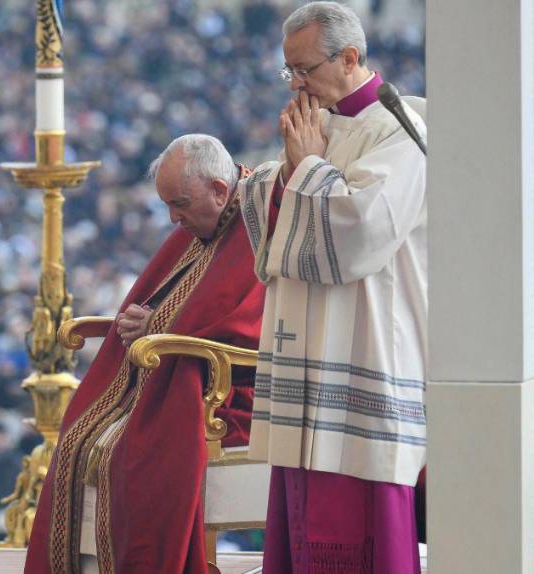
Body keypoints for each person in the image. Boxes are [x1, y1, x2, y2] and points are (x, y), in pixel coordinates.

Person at [236, 3, 426, 572]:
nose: (295, 83)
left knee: (364, 497)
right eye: (287, 70)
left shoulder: (404, 125)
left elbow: (363, 228)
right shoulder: (316, 123)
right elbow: (276, 202)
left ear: (349, 58)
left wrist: (308, 167)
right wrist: (287, 174)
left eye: (305, 69)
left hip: (368, 344)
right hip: (308, 350)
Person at [25, 134, 266, 574]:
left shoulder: (258, 221)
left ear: (218, 189)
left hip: (223, 397)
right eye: (168, 206)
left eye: (180, 204)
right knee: (78, 438)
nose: (174, 218)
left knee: (136, 455)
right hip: (163, 377)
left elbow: (251, 329)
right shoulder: (201, 224)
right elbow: (163, 299)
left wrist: (156, 328)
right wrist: (142, 323)